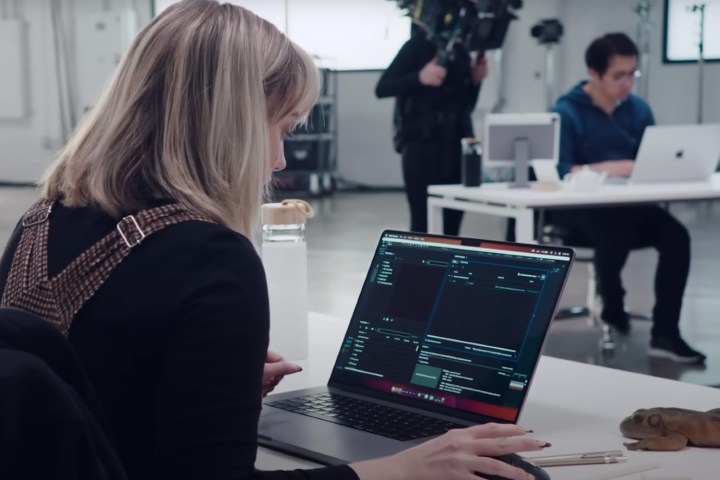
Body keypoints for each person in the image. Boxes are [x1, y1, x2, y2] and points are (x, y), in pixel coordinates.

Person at [0, 1, 548, 479]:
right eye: (282, 128)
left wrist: (201, 384)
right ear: (229, 123)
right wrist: (400, 468)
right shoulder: (211, 259)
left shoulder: (40, 221)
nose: (281, 159)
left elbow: (77, 384)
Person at [552, 32, 705, 364]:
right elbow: (559, 169)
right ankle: (613, 304)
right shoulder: (567, 112)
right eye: (618, 75)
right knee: (612, 226)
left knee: (677, 237)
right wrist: (610, 168)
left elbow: (656, 159)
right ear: (594, 74)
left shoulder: (638, 110)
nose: (627, 83)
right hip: (582, 214)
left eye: (632, 73)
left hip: (631, 208)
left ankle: (665, 333)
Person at [375, 27, 489, 235]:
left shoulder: (460, 51)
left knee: (453, 222)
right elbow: (382, 88)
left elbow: (466, 106)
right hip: (422, 147)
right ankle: (422, 266)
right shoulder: (416, 46)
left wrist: (475, 82)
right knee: (422, 222)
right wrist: (420, 77)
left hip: (456, 145)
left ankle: (451, 265)